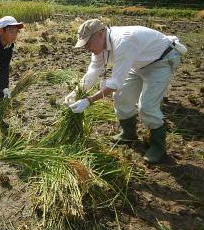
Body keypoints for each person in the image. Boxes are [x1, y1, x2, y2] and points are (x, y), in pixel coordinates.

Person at [65, 19, 187, 164]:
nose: (86, 48)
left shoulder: (123, 41)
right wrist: (75, 92)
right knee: (122, 97)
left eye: (88, 43)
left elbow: (115, 83)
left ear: (100, 34)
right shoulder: (99, 49)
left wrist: (88, 101)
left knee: (147, 106)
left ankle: (158, 147)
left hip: (161, 61)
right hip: (138, 64)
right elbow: (92, 73)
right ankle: (128, 133)